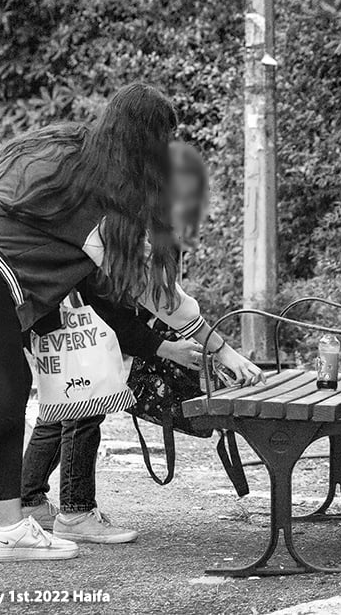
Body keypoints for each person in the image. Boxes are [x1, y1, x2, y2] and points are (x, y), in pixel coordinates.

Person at [0, 85, 263, 567]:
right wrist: (223, 349)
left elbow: (101, 294)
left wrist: (167, 346)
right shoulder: (106, 192)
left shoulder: (66, 147)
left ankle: (9, 528)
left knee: (4, 397)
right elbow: (155, 295)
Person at [20, 142, 210, 544]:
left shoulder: (103, 202)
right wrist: (165, 343)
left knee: (57, 405)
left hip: (50, 309)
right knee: (83, 409)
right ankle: (74, 511)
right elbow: (137, 292)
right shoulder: (124, 216)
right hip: (79, 314)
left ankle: (30, 500)